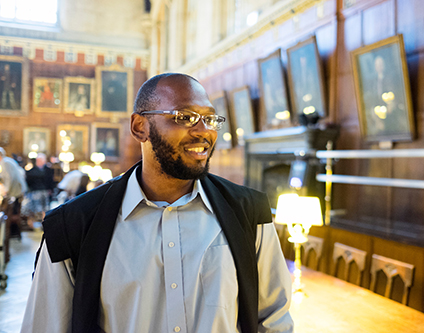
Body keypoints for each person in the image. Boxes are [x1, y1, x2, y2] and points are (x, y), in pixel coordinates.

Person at [21, 73, 293, 333]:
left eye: (210, 119)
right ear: (140, 127)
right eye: (185, 117)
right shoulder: (73, 224)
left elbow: (274, 318)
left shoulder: (248, 212)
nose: (203, 131)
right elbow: (45, 325)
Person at [0, 147, 27, 259]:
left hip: (14, 192)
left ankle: (7, 234)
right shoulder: (8, 161)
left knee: (6, 210)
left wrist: (6, 192)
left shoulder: (5, 162)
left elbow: (9, 179)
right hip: (17, 191)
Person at [22, 154, 53, 228]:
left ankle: (44, 223)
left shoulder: (48, 170)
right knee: (34, 208)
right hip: (35, 191)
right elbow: (28, 181)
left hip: (45, 191)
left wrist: (50, 189)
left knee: (45, 209)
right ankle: (32, 225)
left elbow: (50, 181)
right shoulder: (32, 171)